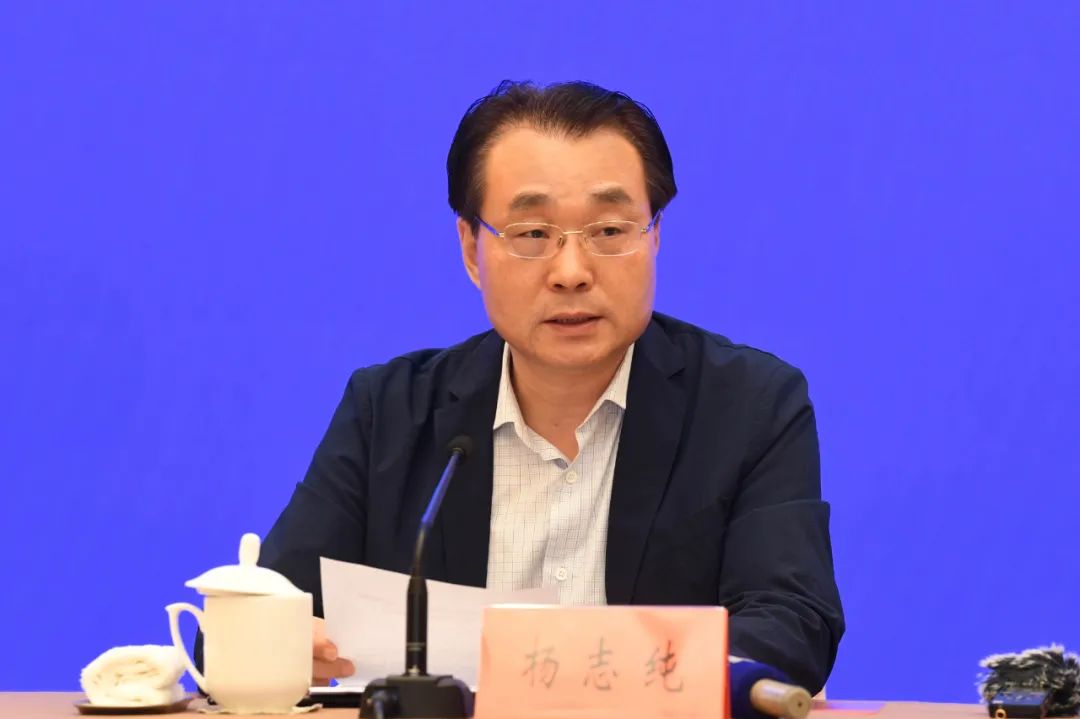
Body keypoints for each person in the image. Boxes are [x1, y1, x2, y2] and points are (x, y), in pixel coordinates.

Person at [260, 80, 844, 693]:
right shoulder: (388, 412)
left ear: (654, 236)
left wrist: (577, 676)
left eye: (610, 231)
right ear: (471, 249)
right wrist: (272, 644)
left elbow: (792, 626)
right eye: (533, 234)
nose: (571, 272)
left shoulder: (748, 405)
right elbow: (258, 614)